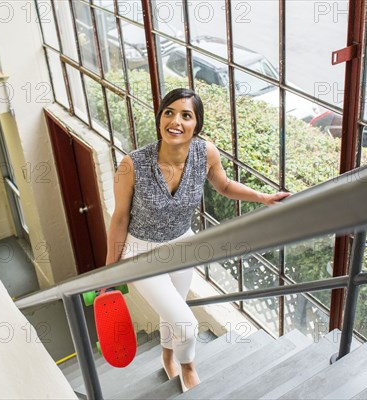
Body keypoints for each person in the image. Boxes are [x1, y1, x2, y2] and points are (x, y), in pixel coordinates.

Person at [105, 88, 290, 391]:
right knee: (186, 324)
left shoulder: (206, 153)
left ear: (196, 125)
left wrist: (264, 197)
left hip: (183, 246)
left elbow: (225, 186)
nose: (175, 121)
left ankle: (168, 356)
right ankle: (188, 366)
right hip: (141, 253)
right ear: (160, 118)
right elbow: (120, 218)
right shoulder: (132, 164)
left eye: (186, 115)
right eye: (169, 112)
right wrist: (109, 271)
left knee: (172, 311)